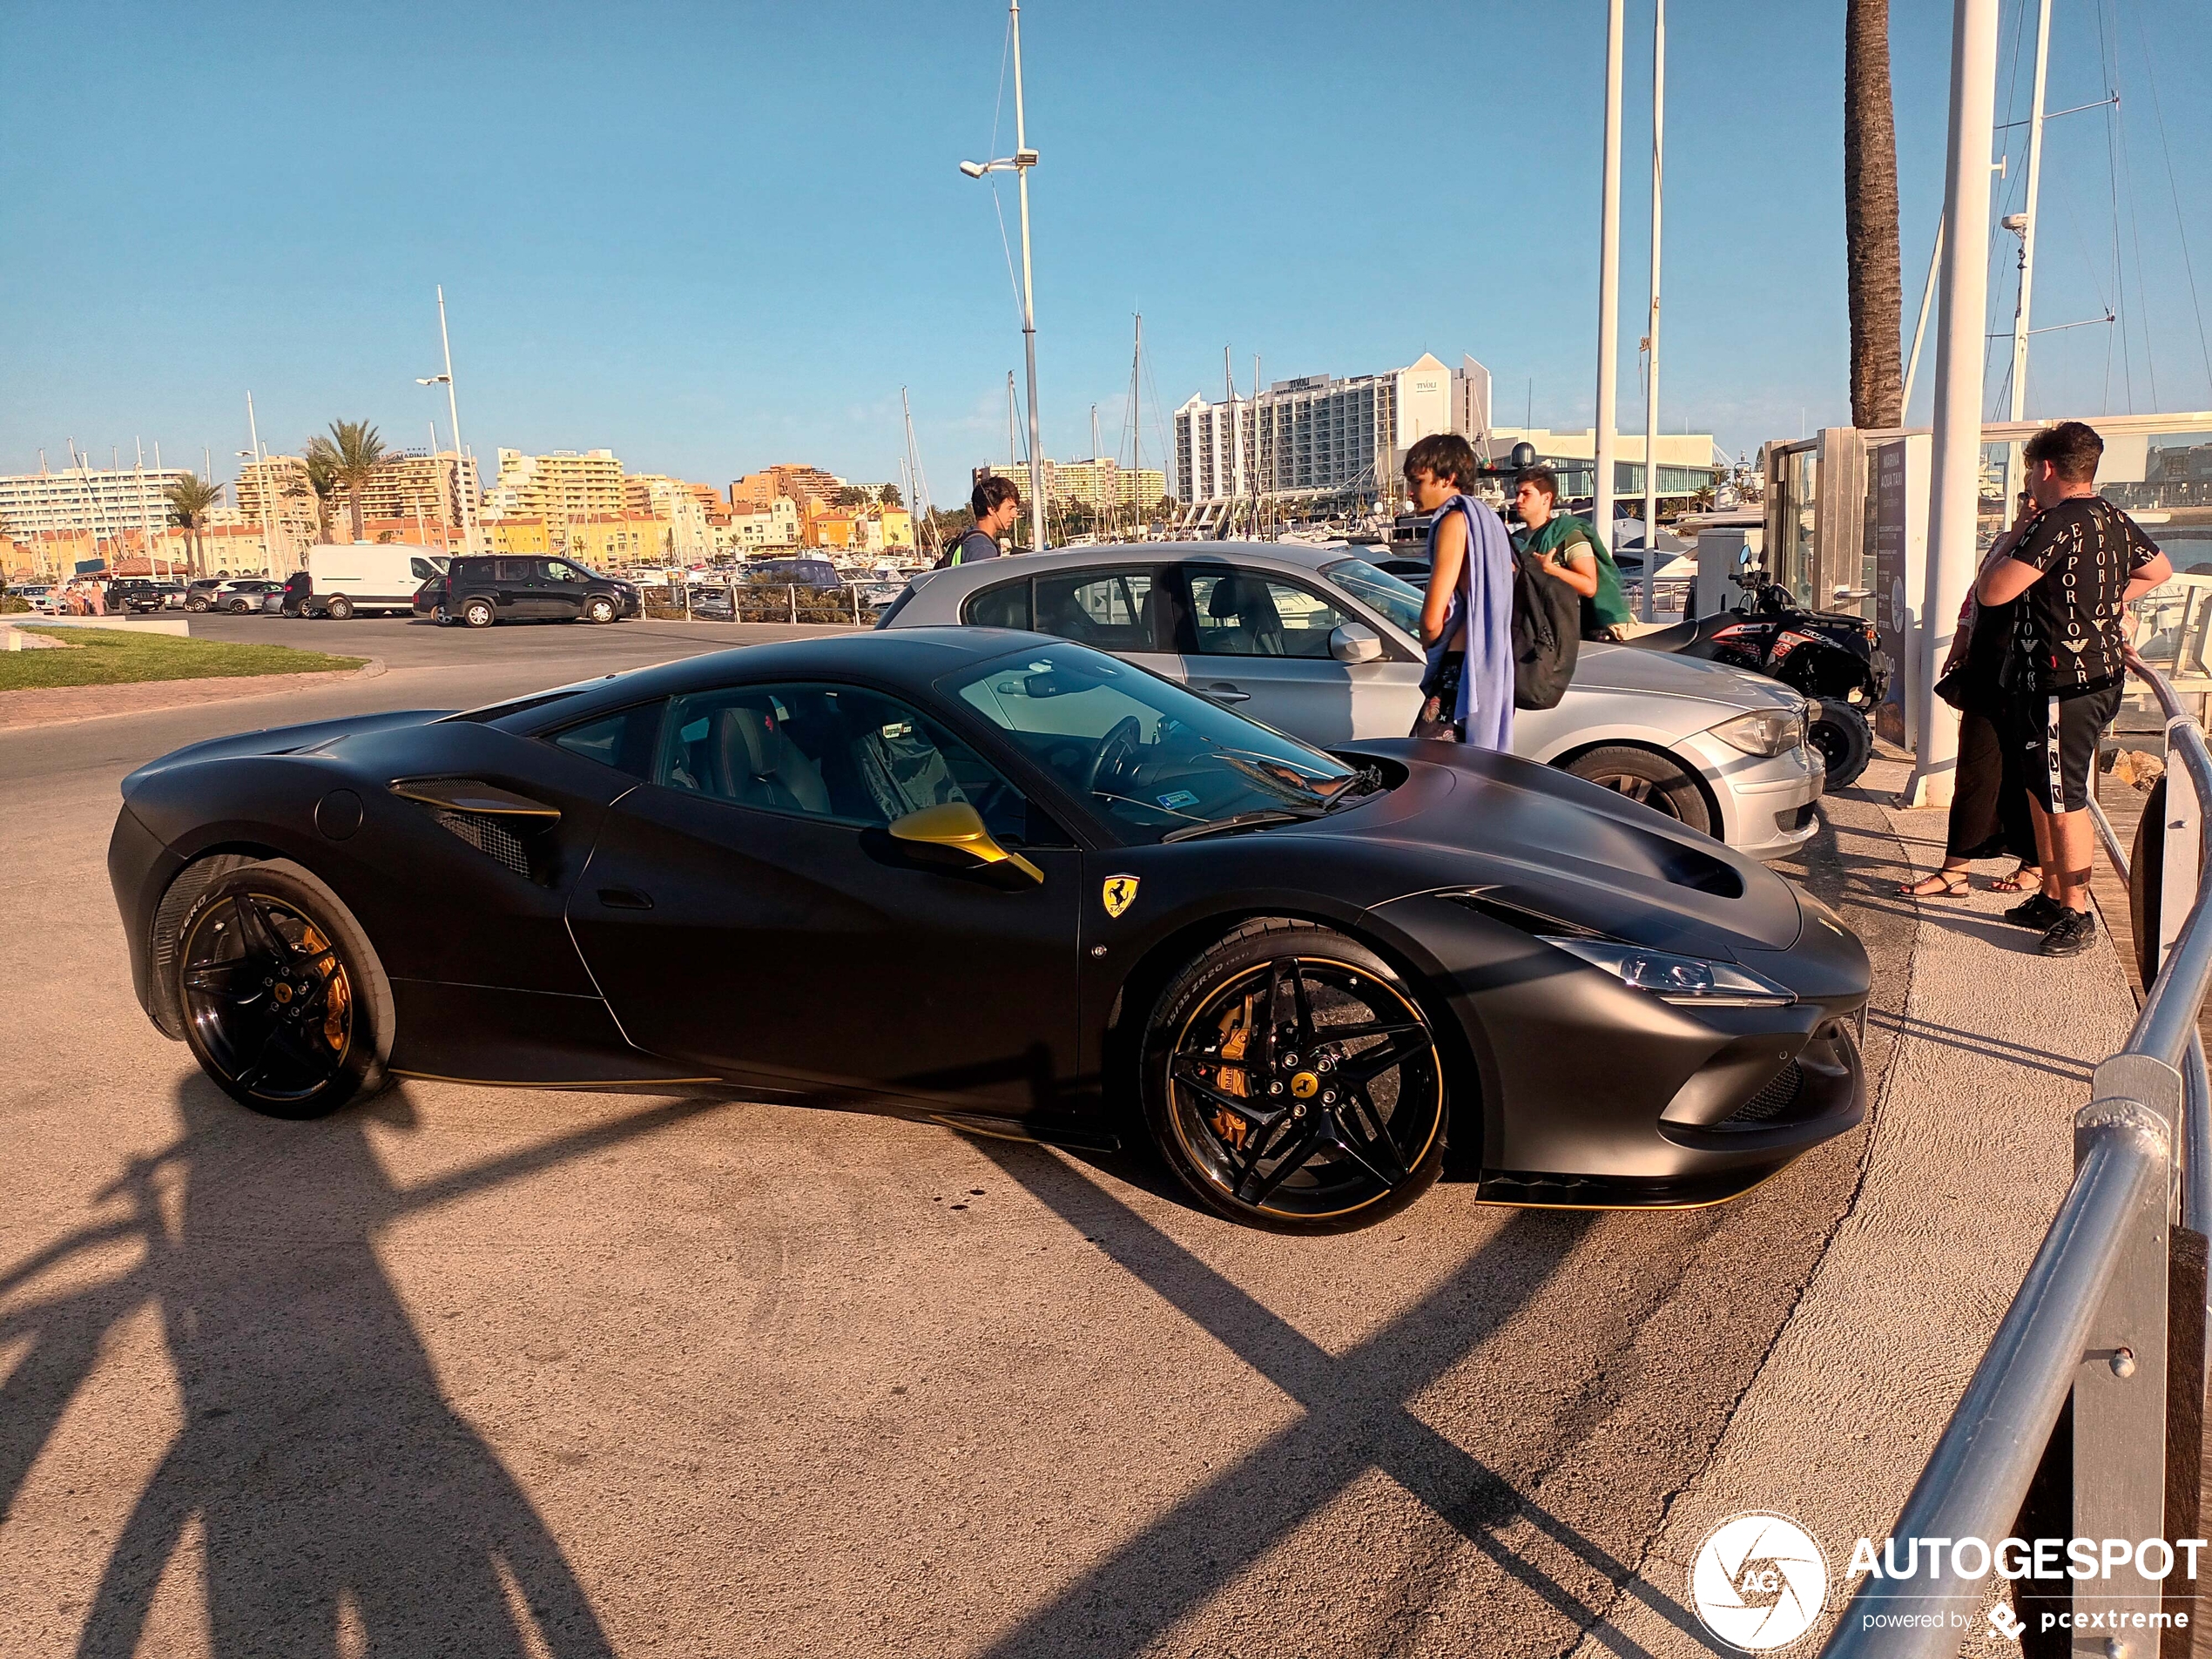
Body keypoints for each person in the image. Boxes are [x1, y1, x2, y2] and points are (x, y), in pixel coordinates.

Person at [1975, 420, 2172, 955]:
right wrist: (2108, 601)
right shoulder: (2112, 517)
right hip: (2092, 675)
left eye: (2028, 475)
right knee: (2045, 788)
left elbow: (1993, 591)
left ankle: (2077, 911)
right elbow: (2160, 568)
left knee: (2063, 797)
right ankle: (2053, 892)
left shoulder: (2056, 522)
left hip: (2065, 682)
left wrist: (2019, 529)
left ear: (2045, 469)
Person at [1898, 493, 2042, 898]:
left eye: (2031, 496)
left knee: (2026, 771)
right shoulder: (2005, 540)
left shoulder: (2058, 538)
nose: (2027, 502)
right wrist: (1960, 641)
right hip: (1988, 668)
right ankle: (1954, 869)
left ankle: (2033, 863)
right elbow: (1977, 593)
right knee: (1975, 767)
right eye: (2022, 498)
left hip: (2035, 672)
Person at [1410, 434, 1516, 751]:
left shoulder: (1454, 522)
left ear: (1448, 478)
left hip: (1460, 665)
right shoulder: (1488, 521)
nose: (1411, 492)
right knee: (1458, 770)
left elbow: (1431, 619)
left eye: (1418, 482)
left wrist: (1429, 640)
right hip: (1490, 660)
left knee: (1425, 769)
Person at [1510, 467, 1634, 642]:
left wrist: (1550, 569)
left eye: (1526, 494)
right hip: (1524, 634)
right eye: (1517, 494)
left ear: (1546, 498)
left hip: (1563, 637)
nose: (1518, 500)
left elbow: (1589, 586)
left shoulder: (1568, 535)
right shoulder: (1515, 540)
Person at [941, 475, 1022, 568]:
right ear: (991, 508)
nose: (1014, 515)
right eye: (1010, 508)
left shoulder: (968, 537)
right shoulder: (983, 550)